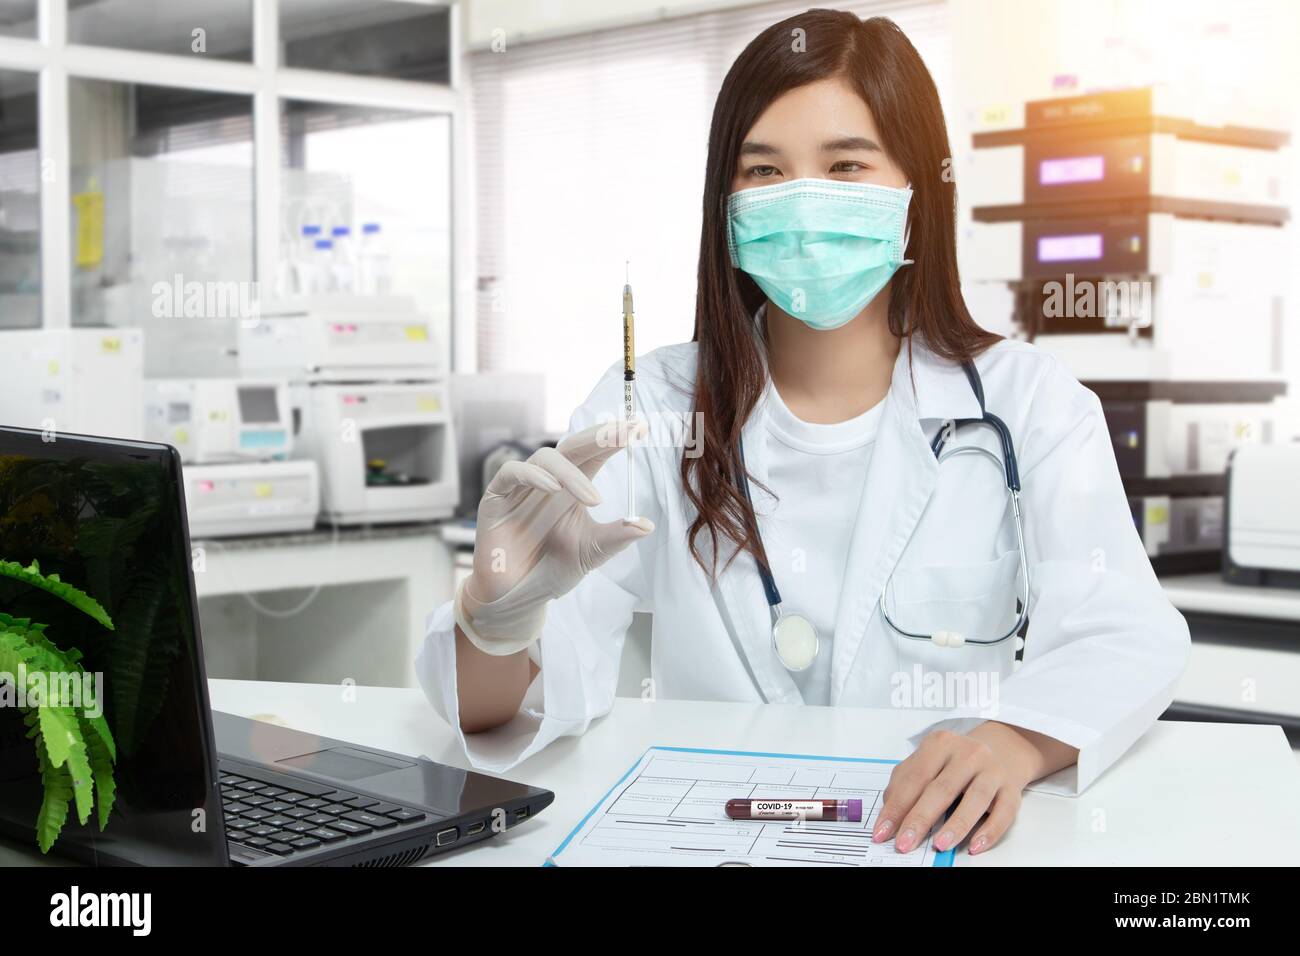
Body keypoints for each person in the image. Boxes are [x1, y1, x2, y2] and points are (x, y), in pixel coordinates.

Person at [417, 9, 1189, 857]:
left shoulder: (1028, 403)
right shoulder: (655, 403)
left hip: (931, 842)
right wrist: (493, 617)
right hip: (708, 840)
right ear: (728, 200)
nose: (801, 203)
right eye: (764, 170)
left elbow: (1125, 632)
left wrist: (1012, 742)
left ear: (915, 193)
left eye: (845, 165)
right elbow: (503, 710)